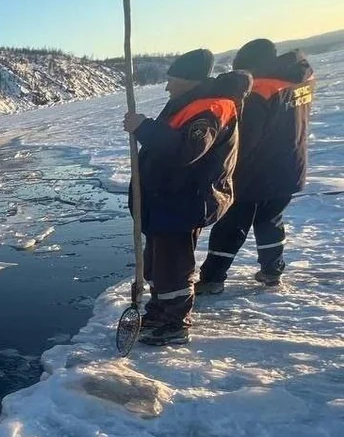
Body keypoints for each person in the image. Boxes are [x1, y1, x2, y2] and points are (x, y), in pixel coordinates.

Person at [123, 49, 252, 346]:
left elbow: (186, 150)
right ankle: (159, 312)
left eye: (172, 80)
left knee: (173, 266)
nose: (167, 87)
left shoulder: (210, 109)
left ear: (189, 80)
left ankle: (175, 323)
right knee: (158, 263)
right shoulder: (189, 102)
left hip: (184, 201)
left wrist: (144, 128)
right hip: (168, 199)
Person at [196, 39, 315, 293]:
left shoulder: (260, 89)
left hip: (257, 171)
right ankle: (272, 270)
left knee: (231, 222)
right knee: (270, 218)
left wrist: (224, 163)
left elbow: (246, 138)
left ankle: (212, 279)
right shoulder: (299, 79)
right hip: (291, 165)